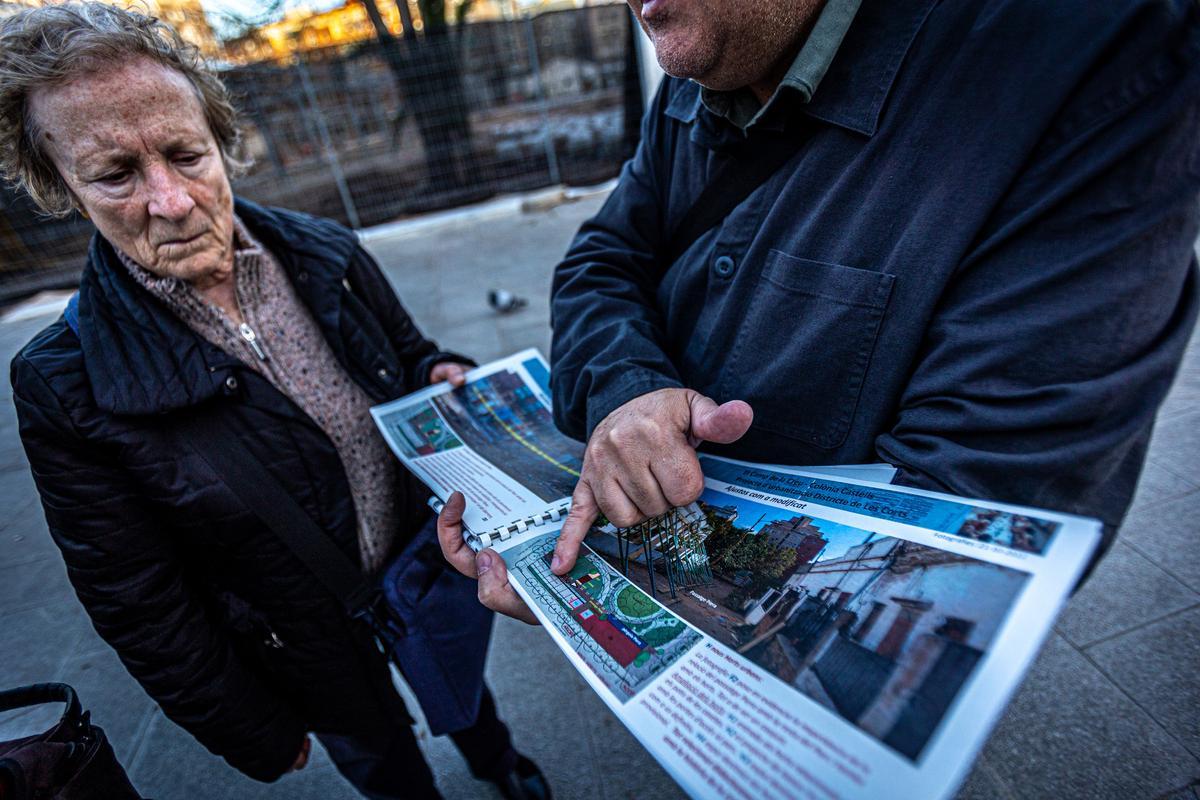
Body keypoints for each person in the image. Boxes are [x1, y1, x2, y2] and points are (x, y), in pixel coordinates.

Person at [439, 0, 1200, 617]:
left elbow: (975, 512)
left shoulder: (1083, 57)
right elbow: (601, 261)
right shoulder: (700, 68)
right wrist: (629, 390)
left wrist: (605, 583)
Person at [2, 5, 548, 799]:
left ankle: (500, 765)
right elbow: (138, 599)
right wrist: (247, 726)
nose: (172, 200)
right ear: (61, 185)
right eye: (117, 175)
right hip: (300, 643)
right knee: (382, 761)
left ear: (221, 142)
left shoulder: (329, 252)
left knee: (466, 696)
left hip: (416, 573)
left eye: (187, 155)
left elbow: (409, 356)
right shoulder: (62, 383)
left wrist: (439, 374)